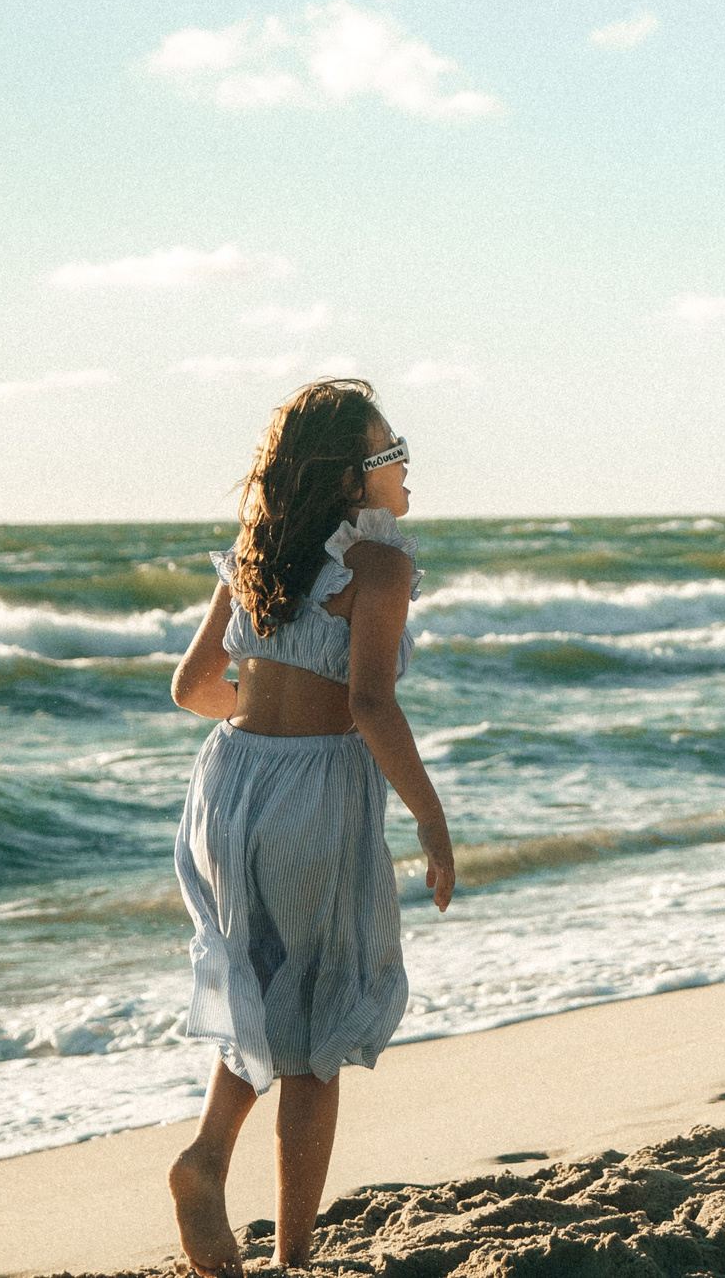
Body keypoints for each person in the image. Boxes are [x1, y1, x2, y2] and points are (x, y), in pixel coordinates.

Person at [164, 379, 456, 1276]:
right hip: (313, 794)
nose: (405, 461)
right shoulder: (380, 566)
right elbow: (371, 702)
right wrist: (432, 820)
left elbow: (193, 688)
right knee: (318, 1034)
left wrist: (269, 704)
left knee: (261, 989)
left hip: (228, 784)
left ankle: (208, 1157)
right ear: (347, 481)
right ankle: (295, 1257)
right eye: (387, 451)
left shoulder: (259, 554)